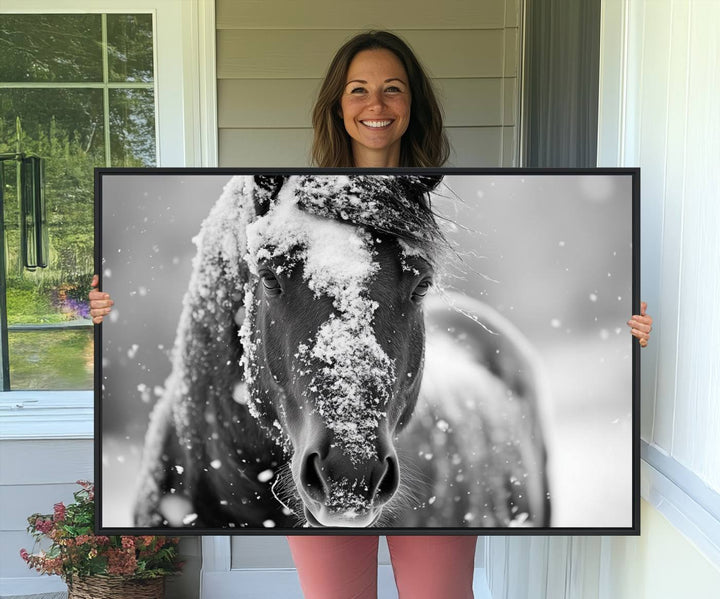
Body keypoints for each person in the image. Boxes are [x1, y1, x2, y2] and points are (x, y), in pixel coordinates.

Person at [89, 30, 653, 599]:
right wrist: (94, 310)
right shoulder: (285, 197)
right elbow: (227, 311)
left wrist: (637, 329)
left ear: (413, 104)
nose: (376, 105)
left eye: (393, 90)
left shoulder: (428, 192)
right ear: (338, 104)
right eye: (358, 90)